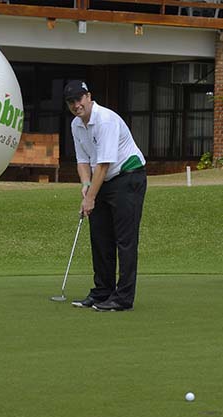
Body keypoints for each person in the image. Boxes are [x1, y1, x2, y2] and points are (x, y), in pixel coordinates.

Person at [64, 80, 147, 312]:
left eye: (79, 99)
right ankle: (102, 291)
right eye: (71, 102)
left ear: (88, 96)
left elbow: (103, 164)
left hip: (128, 176)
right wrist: (86, 185)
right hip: (104, 180)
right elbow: (82, 160)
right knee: (100, 238)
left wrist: (90, 197)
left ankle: (123, 298)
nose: (75, 105)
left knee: (125, 239)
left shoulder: (106, 120)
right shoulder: (75, 125)